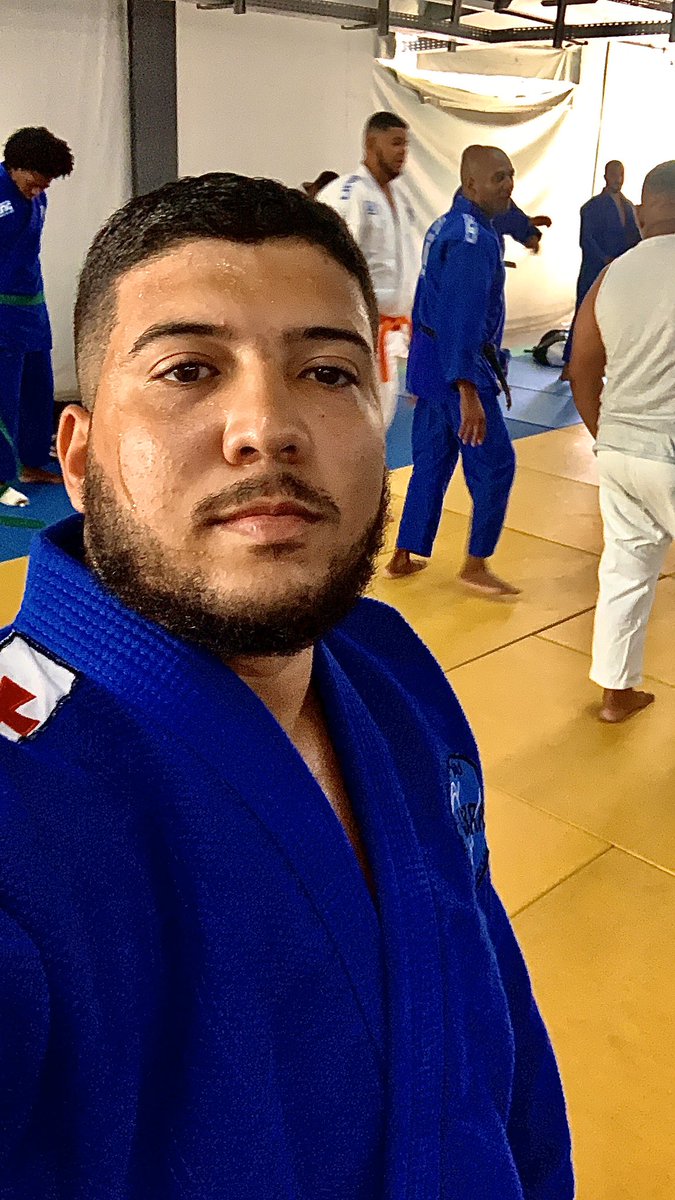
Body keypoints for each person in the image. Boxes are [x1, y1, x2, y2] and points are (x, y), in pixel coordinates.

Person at [0, 173, 573, 1198]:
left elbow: (496, 1019)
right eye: (187, 369)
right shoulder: (22, 801)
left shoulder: (388, 668)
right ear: (78, 459)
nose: (267, 425)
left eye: (326, 372)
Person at [386, 146, 519, 596]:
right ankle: (475, 565)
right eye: (499, 178)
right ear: (471, 184)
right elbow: (461, 317)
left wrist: (420, 375)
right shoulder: (473, 242)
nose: (508, 185)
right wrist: (467, 389)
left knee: (431, 462)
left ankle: (405, 552)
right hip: (460, 373)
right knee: (495, 465)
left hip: (430, 368)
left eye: (510, 175)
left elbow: (429, 300)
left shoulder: (449, 224)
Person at [570, 160, 675, 724]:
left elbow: (582, 367)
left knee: (625, 571)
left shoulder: (612, 273)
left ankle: (617, 694)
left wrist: (606, 435)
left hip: (621, 448)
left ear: (641, 211)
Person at [318, 112, 419, 427]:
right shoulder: (348, 194)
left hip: (390, 333)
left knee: (380, 421)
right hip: (356, 329)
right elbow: (329, 264)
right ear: (372, 143)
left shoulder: (401, 200)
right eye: (396, 143)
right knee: (350, 423)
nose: (403, 152)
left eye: (406, 144)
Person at [0, 126, 74, 507]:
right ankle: (0, 479)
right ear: (15, 166)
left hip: (32, 307)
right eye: (36, 180)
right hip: (1, 312)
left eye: (46, 183)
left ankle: (30, 463)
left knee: (38, 390)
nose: (41, 188)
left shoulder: (37, 196)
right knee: (4, 397)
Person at [561, 160, 640, 377]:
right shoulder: (591, 207)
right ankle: (569, 363)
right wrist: (604, 259)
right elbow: (586, 240)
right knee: (583, 316)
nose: (618, 179)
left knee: (616, 317)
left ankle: (611, 365)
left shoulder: (629, 207)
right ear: (605, 176)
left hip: (620, 271)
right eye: (614, 175)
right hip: (594, 270)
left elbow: (635, 238)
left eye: (621, 175)